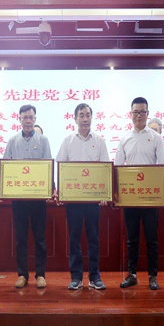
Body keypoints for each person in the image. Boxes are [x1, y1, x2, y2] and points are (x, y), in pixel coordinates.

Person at [115, 97, 164, 291]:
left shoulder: (156, 138)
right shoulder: (124, 139)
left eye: (142, 112)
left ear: (147, 114)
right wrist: (116, 193)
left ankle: (152, 275)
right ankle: (132, 274)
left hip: (150, 198)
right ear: (131, 114)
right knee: (132, 239)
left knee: (151, 239)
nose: (139, 115)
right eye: (136, 112)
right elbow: (117, 168)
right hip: (130, 198)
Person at [55, 103, 110, 290]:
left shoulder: (99, 141)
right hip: (74, 200)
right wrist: (61, 191)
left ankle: (95, 277)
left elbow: (105, 169)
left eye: (88, 115)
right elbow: (61, 167)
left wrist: (105, 193)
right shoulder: (68, 141)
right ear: (75, 118)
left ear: (92, 118)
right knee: (74, 238)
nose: (85, 119)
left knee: (94, 238)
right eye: (81, 115)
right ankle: (76, 277)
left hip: (93, 199)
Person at [0, 104, 52, 289]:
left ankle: (41, 275)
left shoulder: (43, 140)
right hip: (19, 199)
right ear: (19, 119)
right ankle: (22, 275)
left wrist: (50, 187)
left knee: (40, 238)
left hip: (38, 199)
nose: (28, 121)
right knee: (21, 238)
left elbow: (48, 167)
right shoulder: (13, 141)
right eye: (25, 118)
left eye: (31, 117)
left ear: (35, 119)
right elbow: (5, 166)